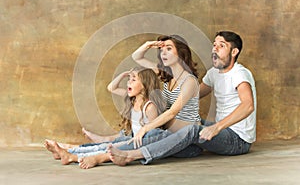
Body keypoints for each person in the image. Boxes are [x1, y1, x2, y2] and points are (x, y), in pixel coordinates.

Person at [108, 31, 257, 166]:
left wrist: (216, 127)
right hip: (221, 131)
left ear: (234, 52)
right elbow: (194, 95)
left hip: (237, 140)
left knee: (191, 129)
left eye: (221, 46)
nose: (215, 49)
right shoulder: (213, 73)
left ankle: (132, 155)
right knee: (186, 125)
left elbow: (248, 105)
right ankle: (114, 144)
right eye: (214, 45)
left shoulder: (239, 74)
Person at [78, 34, 203, 169]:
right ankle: (75, 149)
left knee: (145, 136)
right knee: (134, 136)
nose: (163, 53)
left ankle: (92, 156)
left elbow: (172, 112)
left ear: (181, 53)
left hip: (186, 141)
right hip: (165, 134)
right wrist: (149, 44)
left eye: (169, 49)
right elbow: (136, 57)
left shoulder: (189, 81)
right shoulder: (166, 74)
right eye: (161, 50)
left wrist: (145, 128)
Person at [44, 67, 165, 165]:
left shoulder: (149, 106)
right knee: (101, 146)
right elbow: (111, 87)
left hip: (137, 144)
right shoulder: (133, 100)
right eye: (129, 79)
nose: (129, 82)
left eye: (133, 79)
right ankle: (66, 150)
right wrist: (124, 74)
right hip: (130, 138)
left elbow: (153, 134)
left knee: (103, 148)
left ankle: (70, 154)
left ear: (145, 84)